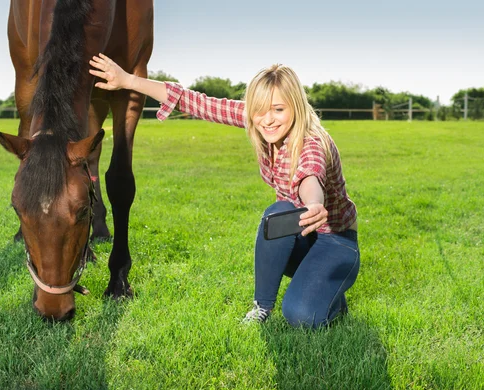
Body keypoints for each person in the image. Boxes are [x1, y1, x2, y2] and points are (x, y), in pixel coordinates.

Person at [89, 54, 360, 328]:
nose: (267, 119)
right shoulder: (259, 120)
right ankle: (262, 307)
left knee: (302, 316)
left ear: (296, 107)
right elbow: (196, 102)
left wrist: (314, 203)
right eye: (260, 110)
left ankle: (330, 288)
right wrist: (127, 80)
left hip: (335, 241)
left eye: (278, 109)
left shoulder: (310, 142)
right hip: (301, 235)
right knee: (277, 216)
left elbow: (309, 174)